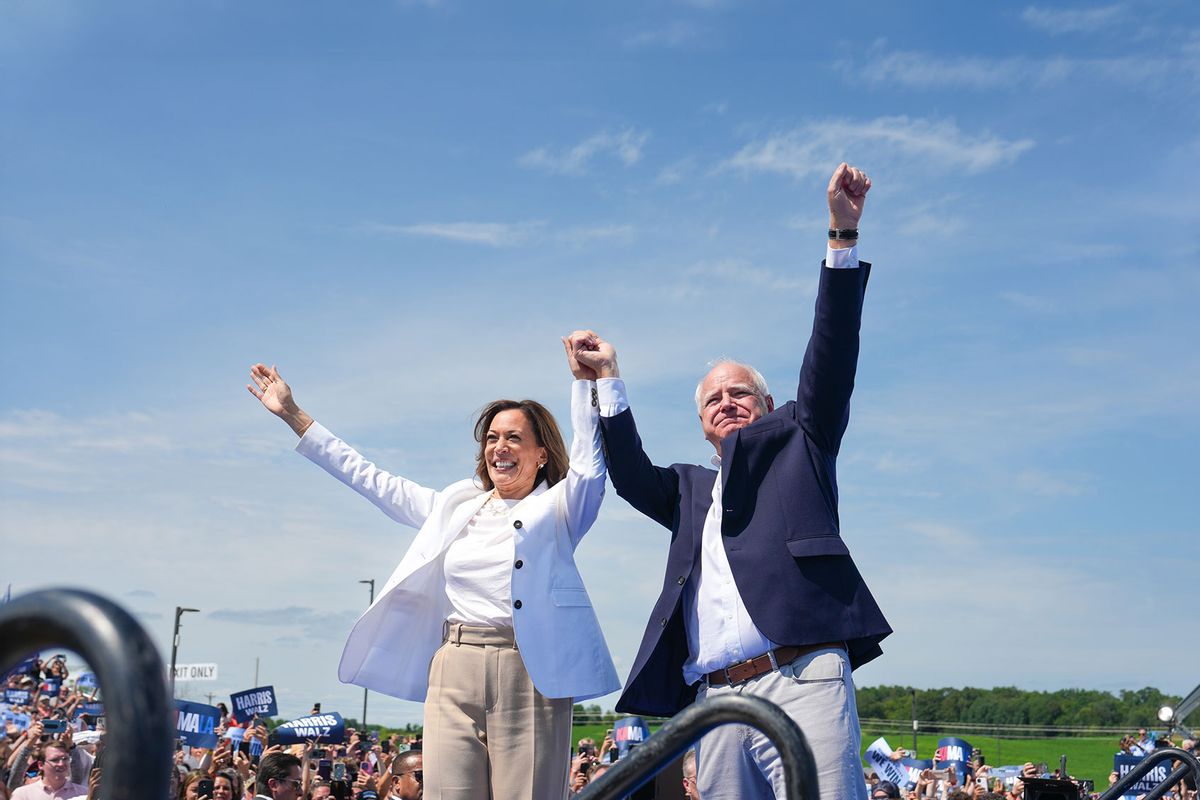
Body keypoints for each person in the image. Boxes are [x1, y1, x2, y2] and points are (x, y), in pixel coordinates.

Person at [568, 162, 890, 800]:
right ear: (701, 425)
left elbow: (832, 352)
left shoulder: (804, 440)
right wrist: (608, 377)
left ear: (769, 407)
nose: (726, 402)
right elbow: (629, 475)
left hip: (801, 678)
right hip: (713, 701)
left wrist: (841, 239)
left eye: (740, 392)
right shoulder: (690, 490)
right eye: (712, 400)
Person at [246, 338, 619, 800]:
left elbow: (588, 467)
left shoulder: (562, 508)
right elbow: (372, 479)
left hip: (530, 669)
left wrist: (589, 384)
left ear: (541, 454)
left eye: (514, 438)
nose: (499, 447)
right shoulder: (457, 503)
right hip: (454, 666)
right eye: (492, 438)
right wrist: (293, 415)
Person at [11, 739, 87, 799]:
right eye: (55, 760)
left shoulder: (83, 794)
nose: (61, 764)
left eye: (65, 759)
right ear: (41, 765)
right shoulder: (23, 794)